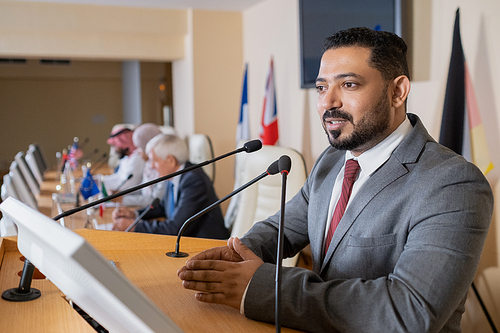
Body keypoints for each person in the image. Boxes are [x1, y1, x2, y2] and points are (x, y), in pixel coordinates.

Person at [177, 27, 494, 332]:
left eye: (349, 85)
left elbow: (409, 312)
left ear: (398, 91)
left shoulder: (454, 184)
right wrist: (239, 251)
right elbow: (285, 226)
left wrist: (261, 286)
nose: (328, 102)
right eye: (321, 87)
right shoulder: (332, 159)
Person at [112, 134, 229, 239]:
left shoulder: (194, 180)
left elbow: (176, 228)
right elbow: (163, 207)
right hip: (188, 242)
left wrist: (135, 227)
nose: (151, 166)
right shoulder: (173, 175)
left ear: (171, 160)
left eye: (154, 161)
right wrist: (134, 214)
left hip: (207, 246)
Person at [120, 123, 166, 206]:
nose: (137, 152)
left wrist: (123, 199)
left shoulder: (163, 167)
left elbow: (155, 200)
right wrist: (121, 194)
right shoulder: (148, 164)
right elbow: (143, 190)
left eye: (139, 147)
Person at [101, 126, 145, 192]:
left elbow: (129, 185)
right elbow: (118, 177)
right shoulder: (126, 157)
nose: (116, 149)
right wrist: (100, 180)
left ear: (124, 144)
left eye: (117, 145)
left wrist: (109, 190)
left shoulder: (137, 158)